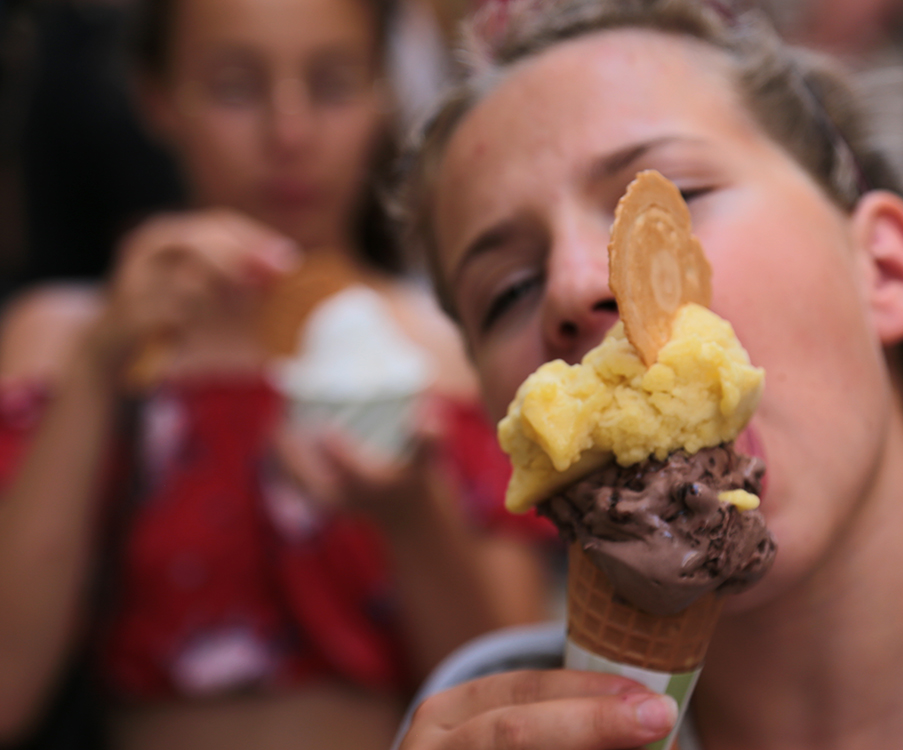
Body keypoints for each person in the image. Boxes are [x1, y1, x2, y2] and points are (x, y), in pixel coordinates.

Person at [389, 1, 903, 748]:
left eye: (669, 201)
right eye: (506, 292)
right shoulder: (480, 723)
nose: (574, 283)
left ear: (886, 269)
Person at [0, 0, 552, 747]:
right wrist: (101, 367)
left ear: (381, 91)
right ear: (155, 97)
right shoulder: (67, 343)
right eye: (235, 87)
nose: (288, 134)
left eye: (331, 84)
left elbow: (511, 701)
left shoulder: (444, 353)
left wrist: (412, 515)